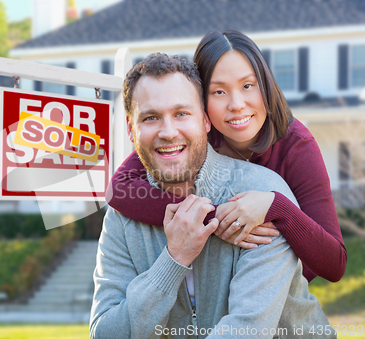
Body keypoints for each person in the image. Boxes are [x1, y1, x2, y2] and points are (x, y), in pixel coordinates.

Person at [90, 53, 335, 338]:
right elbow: (105, 333)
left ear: (206, 121)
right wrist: (174, 258)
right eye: (151, 117)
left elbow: (246, 330)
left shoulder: (262, 198)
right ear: (132, 131)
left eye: (181, 113)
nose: (168, 132)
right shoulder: (122, 217)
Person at [106, 30, 346, 283]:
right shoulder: (192, 136)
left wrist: (275, 206)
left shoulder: (296, 145)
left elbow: (334, 263)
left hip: (278, 288)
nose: (237, 104)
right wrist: (219, 219)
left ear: (265, 85)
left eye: (247, 86)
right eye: (219, 92)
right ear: (201, 104)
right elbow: (119, 189)